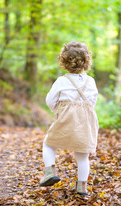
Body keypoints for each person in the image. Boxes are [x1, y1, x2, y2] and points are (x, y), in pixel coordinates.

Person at [39, 41, 99, 196]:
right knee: (82, 155)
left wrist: (59, 110)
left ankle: (50, 171)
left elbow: (50, 101)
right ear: (86, 62)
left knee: (49, 144)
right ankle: (82, 187)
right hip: (85, 121)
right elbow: (93, 101)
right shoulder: (90, 81)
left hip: (66, 117)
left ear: (64, 61)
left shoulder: (61, 81)